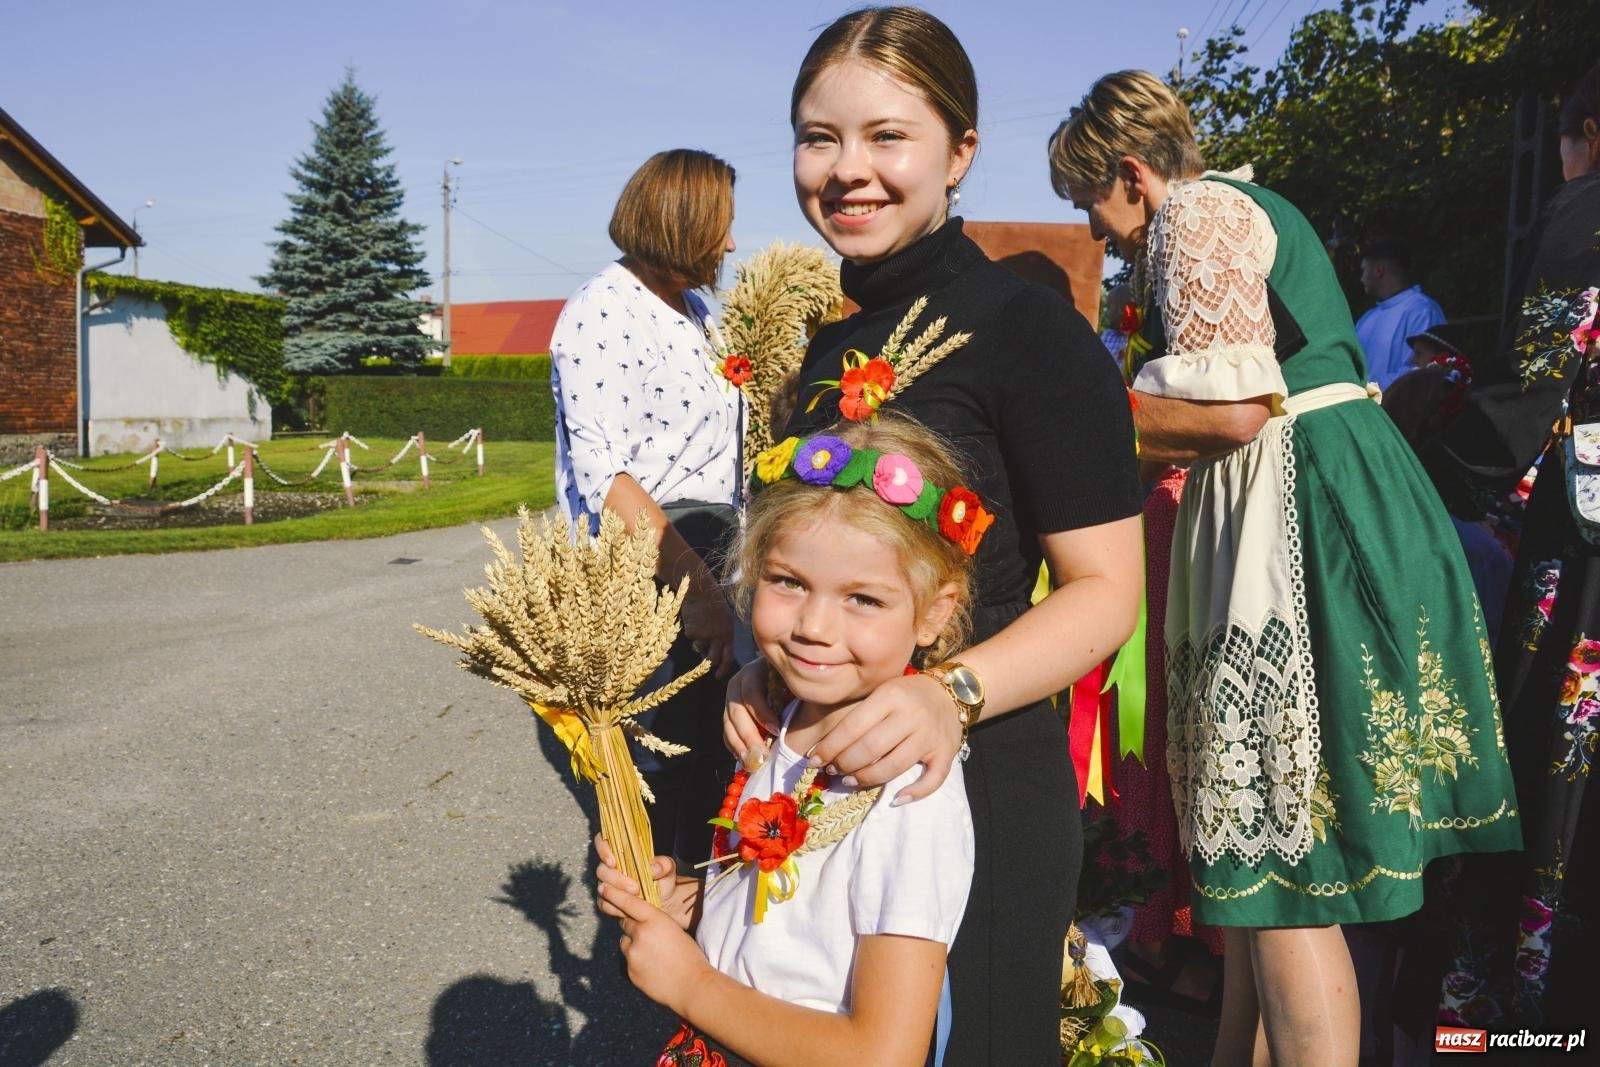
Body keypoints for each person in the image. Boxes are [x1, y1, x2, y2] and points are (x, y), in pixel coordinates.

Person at [1049, 70, 1520, 1067]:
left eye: (1093, 209)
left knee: (1287, 865)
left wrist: (1083, 415)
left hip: (1299, 516)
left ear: (1133, 174)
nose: (1101, 236)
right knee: (1267, 873)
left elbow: (1230, 412)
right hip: (1317, 494)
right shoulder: (1241, 205)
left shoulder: (1196, 213)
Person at [721, 9, 1146, 1062]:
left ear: (959, 151)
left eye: (886, 136)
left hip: (976, 782)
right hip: (817, 783)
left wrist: (944, 692)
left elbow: (1105, 591)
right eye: (819, 137)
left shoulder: (1029, 333)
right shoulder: (816, 347)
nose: (846, 170)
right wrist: (756, 671)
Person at [596, 414, 983, 1066]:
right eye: (788, 582)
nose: (813, 626)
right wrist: (698, 902)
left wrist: (691, 981)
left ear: (934, 612)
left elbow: (883, 1053)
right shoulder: (783, 716)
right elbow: (797, 921)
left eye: (862, 597)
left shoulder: (911, 796)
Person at [1419, 59, 1600, 1032]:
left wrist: (1429, 459)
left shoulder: (1585, 213)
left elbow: (1529, 390)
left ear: (1587, 134)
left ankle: (1527, 1016)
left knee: (1551, 757)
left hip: (1585, 558)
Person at [550, 148, 744, 866]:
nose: (730, 244)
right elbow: (609, 481)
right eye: (721, 226)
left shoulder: (694, 309)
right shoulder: (602, 311)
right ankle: (652, 939)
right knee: (661, 769)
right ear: (682, 220)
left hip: (708, 550)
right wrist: (695, 592)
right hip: (656, 570)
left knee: (707, 765)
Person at [1355, 236, 1447, 390]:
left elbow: (1421, 374)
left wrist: (1363, 391)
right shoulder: (1367, 319)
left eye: (1364, 270)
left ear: (1378, 270)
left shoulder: (1422, 310)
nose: (1361, 278)